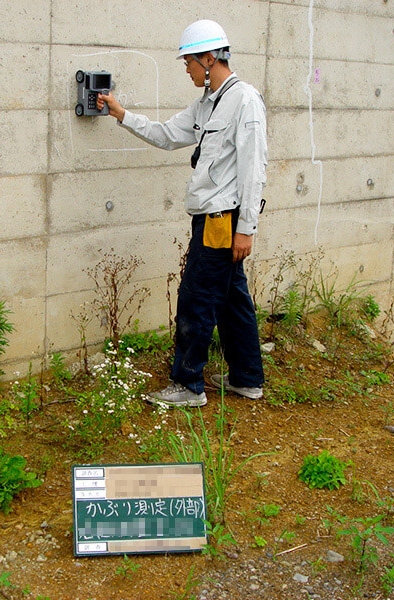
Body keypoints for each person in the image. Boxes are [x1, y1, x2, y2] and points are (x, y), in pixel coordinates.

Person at [97, 19, 267, 408]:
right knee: (231, 299)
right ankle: (247, 378)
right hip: (210, 219)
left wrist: (247, 229)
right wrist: (122, 114)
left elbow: (254, 170)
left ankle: (188, 385)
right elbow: (166, 134)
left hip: (222, 222)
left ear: (209, 59)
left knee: (196, 298)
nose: (187, 69)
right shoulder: (206, 104)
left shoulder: (245, 100)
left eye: (189, 62)